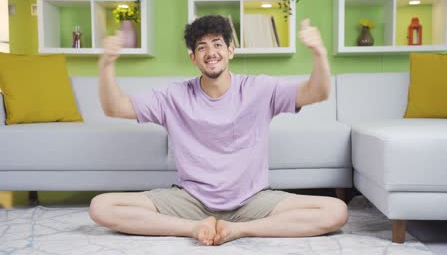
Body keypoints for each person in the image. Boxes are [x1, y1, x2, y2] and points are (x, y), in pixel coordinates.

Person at [89, 15, 348, 246]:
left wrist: (319, 53)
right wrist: (107, 65)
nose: (210, 52)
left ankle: (239, 230)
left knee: (336, 211)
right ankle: (194, 229)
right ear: (193, 58)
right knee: (101, 206)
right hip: (190, 201)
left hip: (251, 201)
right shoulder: (174, 96)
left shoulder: (259, 89)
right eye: (202, 47)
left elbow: (317, 92)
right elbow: (116, 107)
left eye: (217, 44)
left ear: (230, 51)